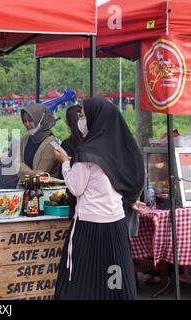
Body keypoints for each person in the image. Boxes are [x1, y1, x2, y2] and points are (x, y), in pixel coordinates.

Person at [53, 97, 145, 300]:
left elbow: (76, 188)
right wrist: (130, 200)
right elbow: (127, 179)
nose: (81, 120)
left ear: (95, 118)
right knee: (115, 279)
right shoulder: (119, 149)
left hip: (89, 227)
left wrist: (65, 163)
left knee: (81, 279)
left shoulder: (87, 152)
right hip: (116, 225)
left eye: (84, 115)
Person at [18, 103, 60, 180]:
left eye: (30, 120)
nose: (27, 124)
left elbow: (41, 174)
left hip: (44, 189)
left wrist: (24, 171)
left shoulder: (51, 143)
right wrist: (32, 173)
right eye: (24, 121)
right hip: (25, 187)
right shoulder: (25, 139)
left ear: (41, 119)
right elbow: (17, 164)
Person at [60, 105, 84, 219]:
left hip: (75, 201)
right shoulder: (95, 144)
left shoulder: (66, 145)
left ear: (66, 122)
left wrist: (64, 161)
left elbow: (63, 178)